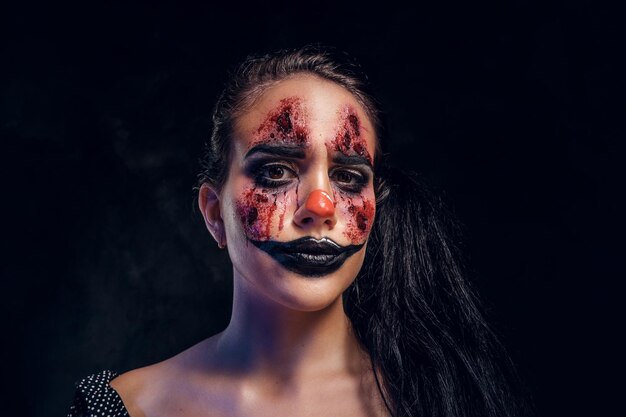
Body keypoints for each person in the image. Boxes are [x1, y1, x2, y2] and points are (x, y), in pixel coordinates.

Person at [68, 45, 529, 417]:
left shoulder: (445, 397)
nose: (320, 207)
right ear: (213, 212)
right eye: (275, 173)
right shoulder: (123, 407)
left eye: (349, 177)